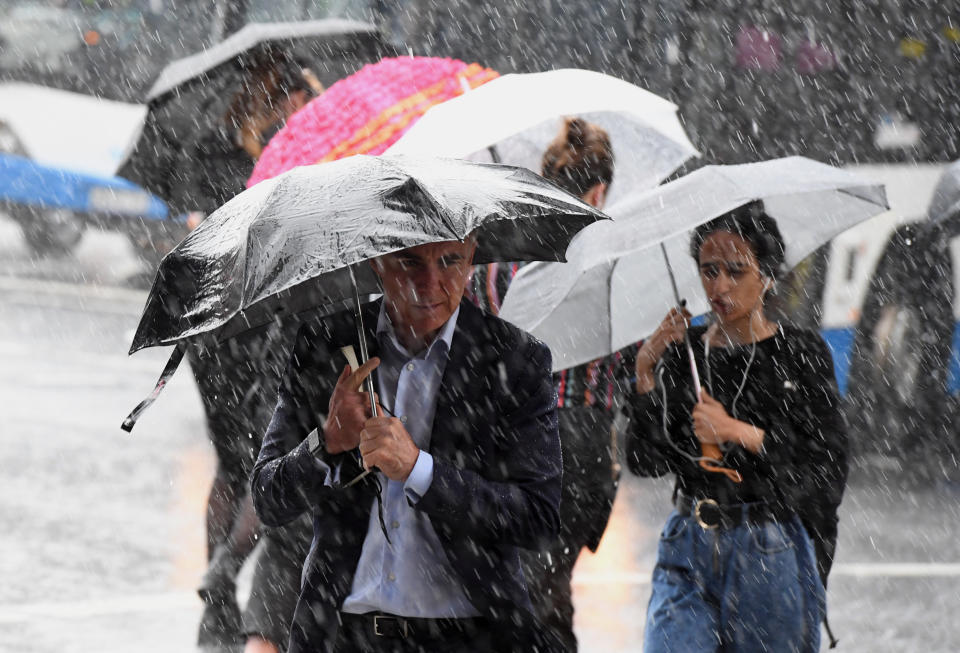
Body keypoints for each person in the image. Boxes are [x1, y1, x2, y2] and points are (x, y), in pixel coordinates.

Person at [251, 237, 563, 653]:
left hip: (470, 637)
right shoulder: (325, 344)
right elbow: (267, 498)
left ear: (471, 259)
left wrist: (420, 470)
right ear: (378, 261)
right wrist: (327, 443)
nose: (430, 282)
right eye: (410, 263)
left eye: (450, 261)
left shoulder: (514, 359)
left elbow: (538, 519)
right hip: (345, 636)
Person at [626, 202, 849, 652]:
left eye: (735, 270)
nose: (719, 286)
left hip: (768, 548)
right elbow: (644, 461)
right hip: (687, 542)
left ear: (766, 275)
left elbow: (828, 464)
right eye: (709, 271)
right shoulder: (681, 354)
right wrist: (645, 376)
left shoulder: (800, 353)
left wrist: (739, 431)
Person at [187, 57, 322, 653]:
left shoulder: (213, 151)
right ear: (290, 97)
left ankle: (220, 592)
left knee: (234, 464)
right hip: (251, 328)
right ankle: (234, 582)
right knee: (264, 461)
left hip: (212, 327)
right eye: (309, 96)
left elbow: (198, 235)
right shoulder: (292, 158)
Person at [512, 117, 621, 652]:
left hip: (517, 445)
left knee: (531, 591)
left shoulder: (504, 261)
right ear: (598, 190)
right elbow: (623, 365)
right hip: (584, 447)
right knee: (548, 587)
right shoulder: (611, 262)